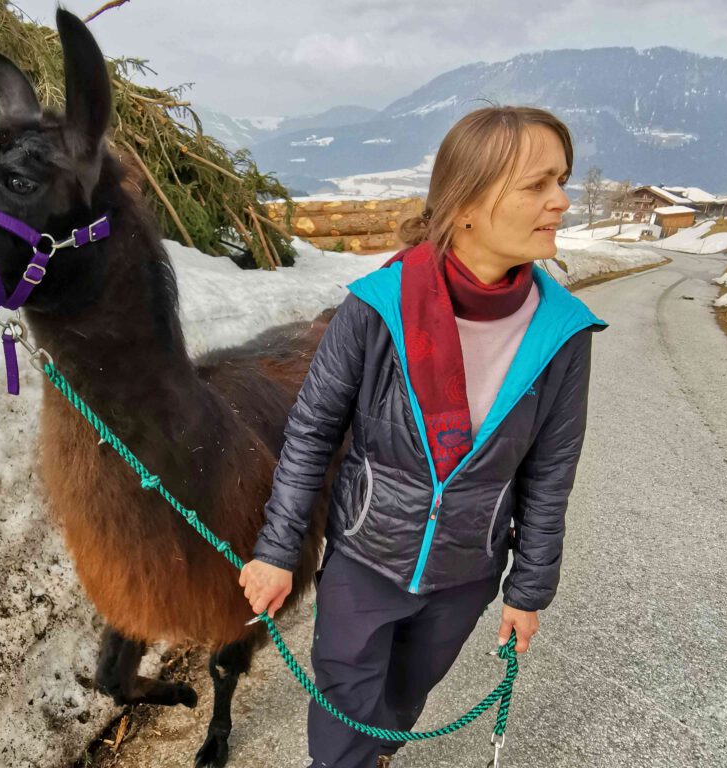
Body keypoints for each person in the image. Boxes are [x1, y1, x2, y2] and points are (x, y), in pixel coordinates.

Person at [238, 105, 609, 768]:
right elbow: (312, 431)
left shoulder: (564, 333)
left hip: (467, 572)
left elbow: (550, 473)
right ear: (464, 204)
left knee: (401, 706)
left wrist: (528, 590)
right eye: (537, 184)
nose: (561, 202)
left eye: (562, 181)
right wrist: (275, 551)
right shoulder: (376, 307)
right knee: (344, 718)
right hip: (364, 560)